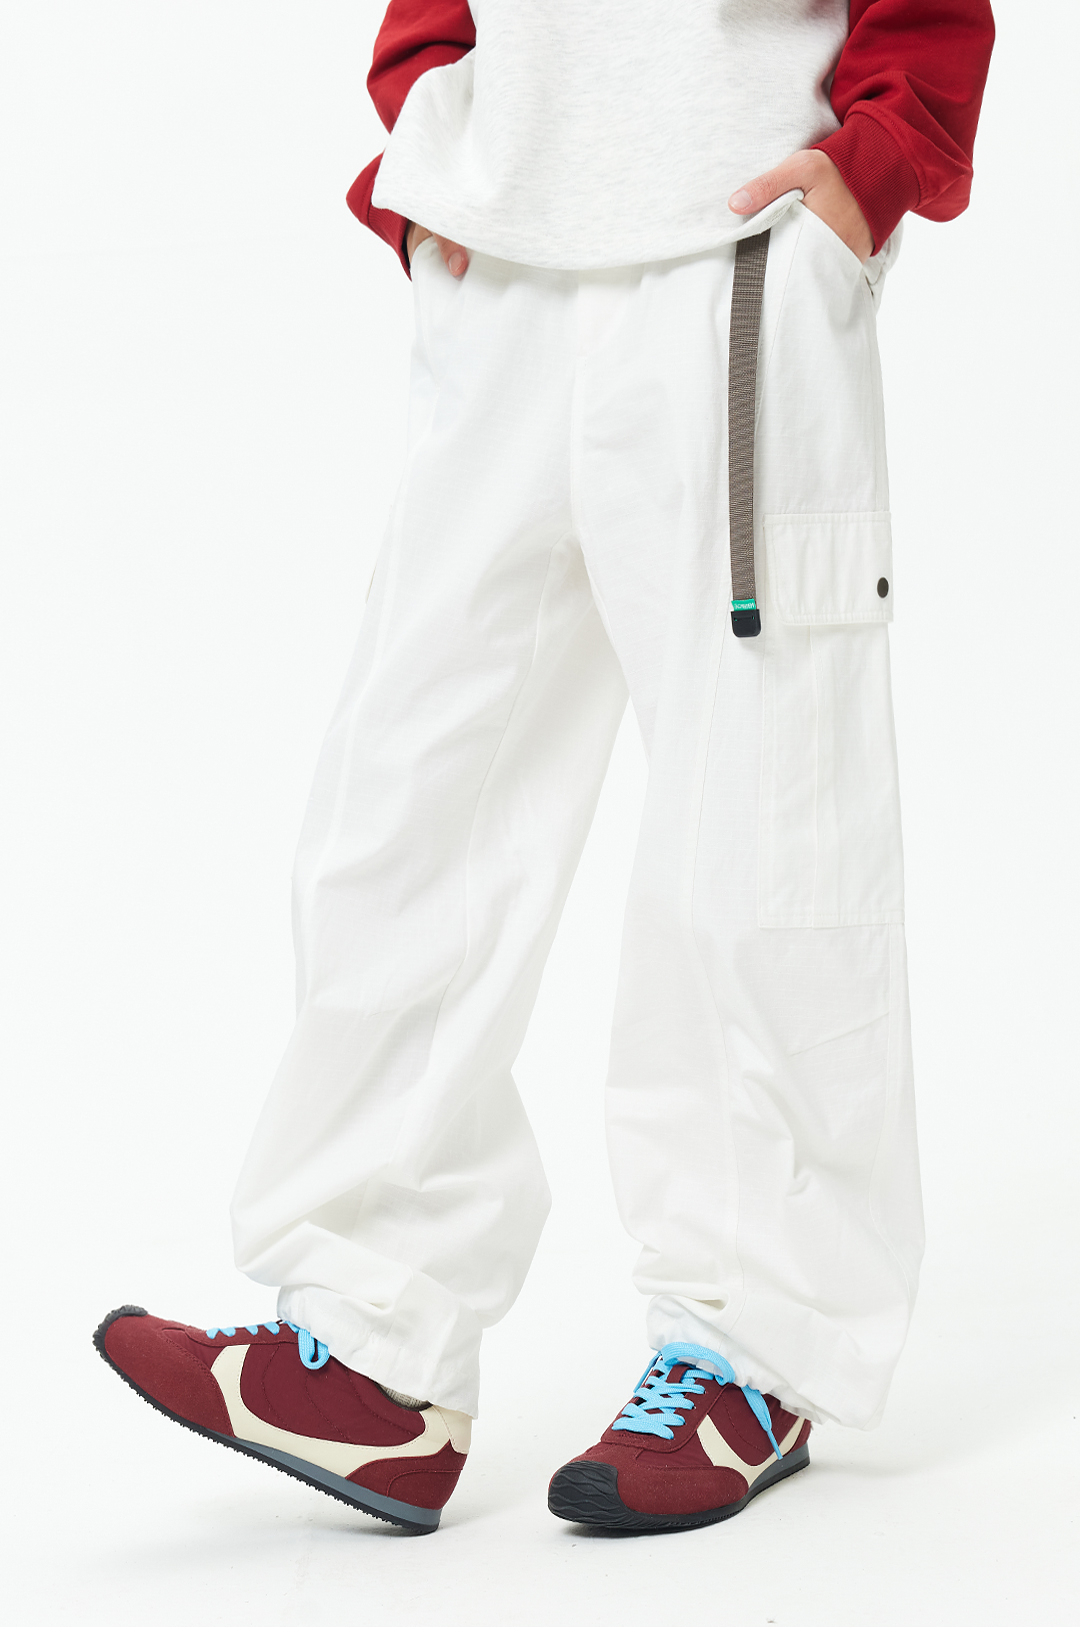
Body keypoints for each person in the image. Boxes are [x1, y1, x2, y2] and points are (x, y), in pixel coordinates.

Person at [95, 0, 995, 1536]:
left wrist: (878, 159)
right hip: (501, 248)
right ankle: (374, 1343)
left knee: (755, 821)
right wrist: (425, 118)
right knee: (408, 796)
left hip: (738, 244)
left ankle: (755, 1349)